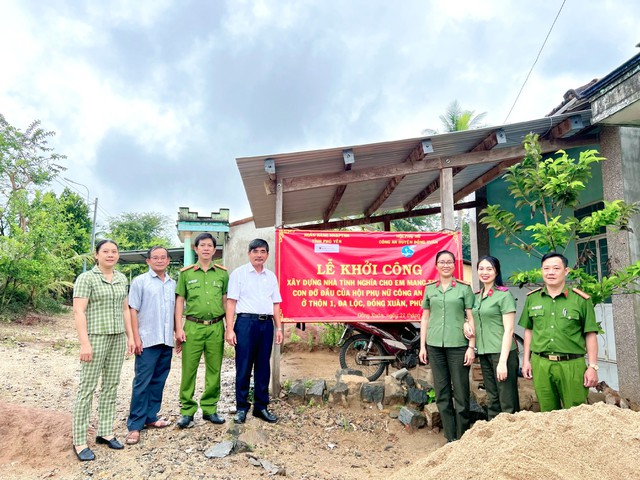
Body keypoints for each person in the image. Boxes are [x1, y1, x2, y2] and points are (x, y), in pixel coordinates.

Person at [72, 239, 135, 461]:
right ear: (96, 255)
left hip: (117, 338)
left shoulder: (120, 278)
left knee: (111, 385)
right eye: (105, 251)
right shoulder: (86, 278)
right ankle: (79, 441)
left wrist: (130, 337)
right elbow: (79, 312)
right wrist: (84, 343)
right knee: (87, 389)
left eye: (114, 251)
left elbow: (125, 309)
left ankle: (105, 432)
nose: (110, 254)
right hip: (96, 338)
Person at [519, 252, 600, 412]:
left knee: (577, 411)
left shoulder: (581, 300)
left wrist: (592, 367)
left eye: (556, 268)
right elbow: (529, 330)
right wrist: (526, 361)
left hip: (572, 365)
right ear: (541, 271)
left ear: (566, 271)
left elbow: (590, 334)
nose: (551, 272)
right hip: (541, 364)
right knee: (547, 413)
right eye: (546, 268)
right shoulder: (532, 299)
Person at [418, 250, 475, 442]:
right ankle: (450, 438)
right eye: (442, 262)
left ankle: (463, 436)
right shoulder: (429, 289)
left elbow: (470, 317)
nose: (445, 265)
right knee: (442, 394)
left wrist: (471, 346)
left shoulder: (463, 289)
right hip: (434, 346)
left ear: (454, 265)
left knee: (461, 393)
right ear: (436, 266)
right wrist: (422, 346)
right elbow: (425, 318)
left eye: (449, 262)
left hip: (458, 345)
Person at [225, 238, 283, 424]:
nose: (259, 255)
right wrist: (230, 328)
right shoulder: (239, 274)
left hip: (266, 325)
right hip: (245, 324)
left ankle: (261, 407)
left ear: (267, 254)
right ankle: (242, 407)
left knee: (263, 367)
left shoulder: (271, 276)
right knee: (243, 366)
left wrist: (278, 327)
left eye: (263, 252)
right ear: (249, 253)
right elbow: (231, 302)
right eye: (255, 251)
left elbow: (275, 304)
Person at [175, 233, 229, 428]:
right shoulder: (186, 273)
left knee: (214, 369)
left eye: (210, 246)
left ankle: (210, 408)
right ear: (195, 249)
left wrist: (229, 327)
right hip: (192, 327)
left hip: (216, 327)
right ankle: (187, 411)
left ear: (215, 250)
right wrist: (178, 328)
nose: (206, 248)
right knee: (189, 370)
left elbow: (226, 301)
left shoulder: (222, 273)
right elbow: (180, 300)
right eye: (202, 245)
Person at [125, 246, 176, 445]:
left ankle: (151, 417)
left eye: (163, 257)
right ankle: (135, 425)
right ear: (148, 261)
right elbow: (132, 311)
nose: (159, 260)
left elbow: (174, 311)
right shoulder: (140, 282)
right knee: (142, 382)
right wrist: (135, 337)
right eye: (155, 257)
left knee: (158, 381)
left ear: (168, 260)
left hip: (166, 340)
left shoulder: (172, 283)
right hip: (147, 340)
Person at [471, 256, 519, 419]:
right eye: (481, 268)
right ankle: (495, 435)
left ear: (496, 271)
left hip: (502, 353)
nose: (485, 272)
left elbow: (509, 329)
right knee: (492, 398)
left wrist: (503, 362)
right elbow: (474, 320)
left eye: (489, 269)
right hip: (484, 352)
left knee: (507, 399)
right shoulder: (477, 297)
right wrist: (466, 324)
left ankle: (512, 434)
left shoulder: (503, 295)